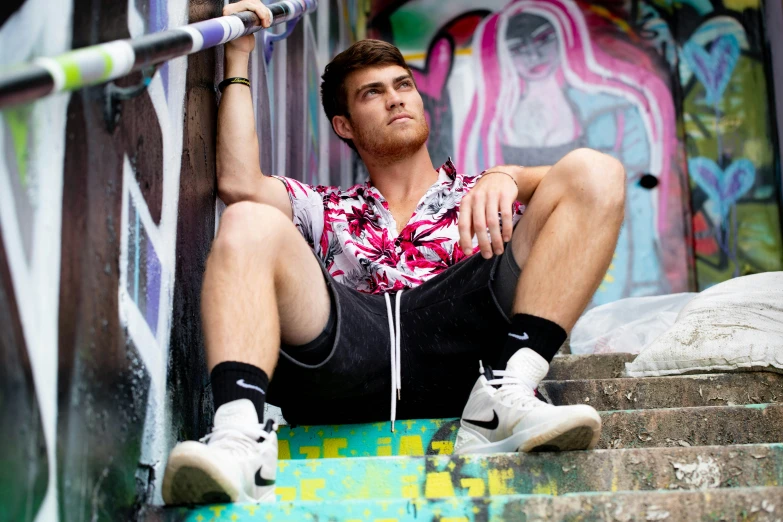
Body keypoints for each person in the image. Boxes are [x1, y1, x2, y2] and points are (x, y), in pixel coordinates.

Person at [161, 0, 625, 505]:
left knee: (597, 171)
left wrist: (508, 175)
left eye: (403, 85)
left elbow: (578, 187)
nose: (395, 99)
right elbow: (238, 182)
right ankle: (238, 437)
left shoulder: (481, 196)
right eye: (373, 93)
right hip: (347, 359)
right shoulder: (328, 208)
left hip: (465, 353)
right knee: (248, 218)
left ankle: (508, 395)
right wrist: (238, 58)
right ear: (345, 126)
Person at [458, 0, 679, 304]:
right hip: (524, 270)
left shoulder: (613, 113)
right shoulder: (489, 127)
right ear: (505, 55)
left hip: (607, 268)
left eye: (542, 40)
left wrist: (641, 283)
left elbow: (636, 203)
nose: (534, 55)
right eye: (519, 47)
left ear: (563, 38)